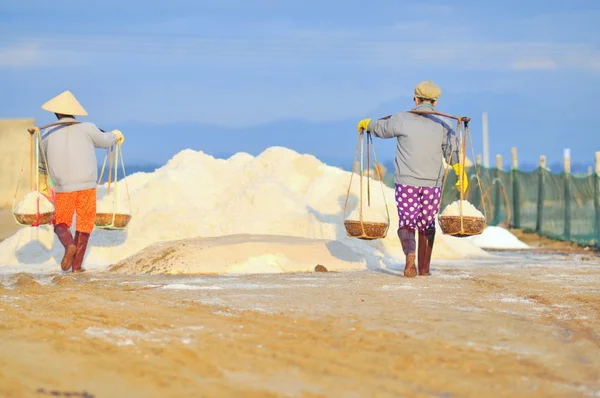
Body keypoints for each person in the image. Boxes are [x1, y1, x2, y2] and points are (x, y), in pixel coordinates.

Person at [356, 81, 468, 278]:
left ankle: (409, 256)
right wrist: (460, 171)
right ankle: (424, 268)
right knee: (427, 223)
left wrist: (368, 124)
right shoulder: (444, 124)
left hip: (406, 182)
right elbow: (452, 151)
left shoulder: (401, 119)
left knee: (407, 222)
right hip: (432, 183)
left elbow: (382, 129)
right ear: (435, 101)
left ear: (415, 99)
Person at [37, 90, 125, 273]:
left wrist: (44, 184)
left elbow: (42, 165)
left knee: (61, 222)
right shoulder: (88, 128)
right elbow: (105, 141)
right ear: (74, 112)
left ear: (56, 113)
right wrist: (115, 134)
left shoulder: (45, 135)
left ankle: (69, 245)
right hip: (86, 186)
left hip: (63, 187)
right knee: (85, 224)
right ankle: (76, 267)